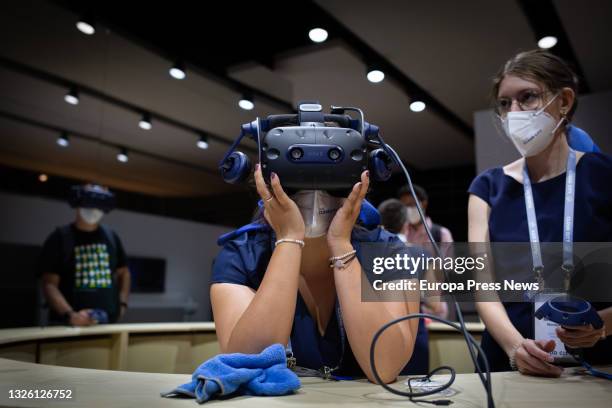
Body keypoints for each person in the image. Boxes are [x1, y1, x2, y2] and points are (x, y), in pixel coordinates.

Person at [468, 49, 612, 376]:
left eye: (528, 97)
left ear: (564, 101)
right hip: (509, 365)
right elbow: (483, 287)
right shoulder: (487, 188)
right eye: (505, 104)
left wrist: (603, 325)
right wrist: (515, 347)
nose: (514, 112)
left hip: (596, 366)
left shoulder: (604, 176)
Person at [210, 167, 421, 383]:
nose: (314, 192)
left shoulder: (388, 250)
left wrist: (341, 245)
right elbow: (247, 365)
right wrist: (289, 239)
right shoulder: (242, 255)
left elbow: (386, 367)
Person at [39, 184, 131, 326]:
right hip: (69, 326)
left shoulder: (111, 237)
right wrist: (70, 315)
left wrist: (122, 305)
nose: (94, 210)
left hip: (107, 324)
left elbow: (124, 272)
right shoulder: (61, 237)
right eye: (89, 203)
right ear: (78, 203)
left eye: (99, 205)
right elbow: (49, 284)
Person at [397, 186, 451, 320]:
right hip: (406, 310)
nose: (409, 210)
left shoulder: (440, 234)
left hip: (434, 310)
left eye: (412, 205)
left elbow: (448, 270)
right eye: (404, 206)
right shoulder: (399, 235)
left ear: (423, 203)